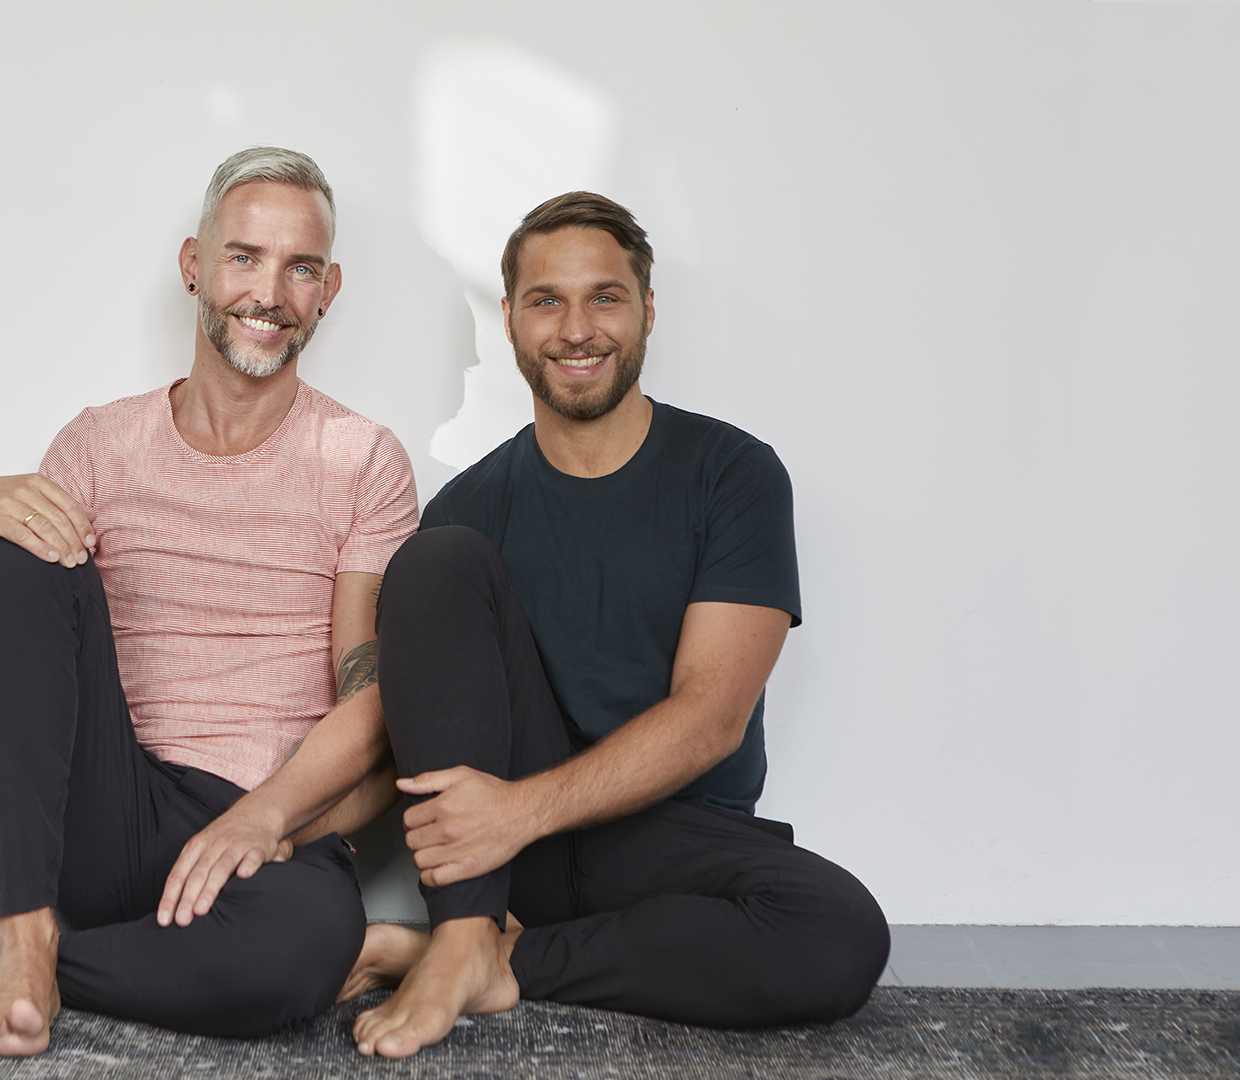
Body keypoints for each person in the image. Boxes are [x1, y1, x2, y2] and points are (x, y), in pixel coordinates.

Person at [0, 147, 417, 1056]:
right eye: (243, 257)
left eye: (300, 268)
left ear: (328, 288)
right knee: (15, 537)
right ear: (194, 265)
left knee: (301, 952)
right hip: (111, 804)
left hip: (266, 827)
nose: (269, 292)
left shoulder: (362, 458)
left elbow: (368, 693)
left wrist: (268, 817)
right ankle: (23, 930)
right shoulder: (101, 444)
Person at [343, 192, 891, 1059]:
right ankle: (465, 933)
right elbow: (399, 717)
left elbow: (711, 716)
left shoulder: (733, 475)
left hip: (669, 842)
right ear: (513, 322)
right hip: (510, 859)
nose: (576, 329)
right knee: (435, 556)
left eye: (604, 297)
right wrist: (271, 825)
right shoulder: (471, 509)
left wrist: (520, 812)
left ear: (644, 313)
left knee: (840, 934)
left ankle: (488, 956)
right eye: (546, 300)